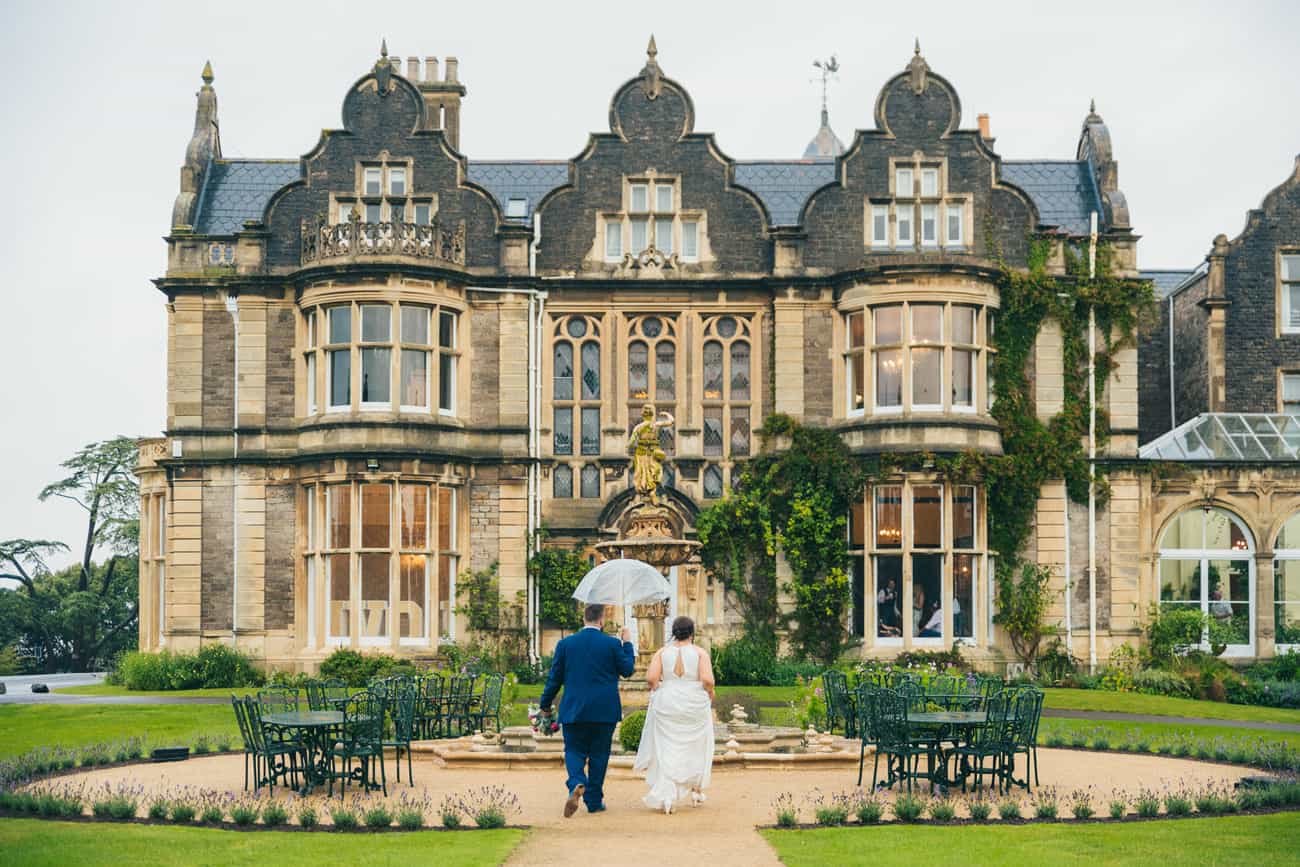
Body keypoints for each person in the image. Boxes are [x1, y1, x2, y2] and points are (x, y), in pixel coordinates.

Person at [539, 603, 636, 817]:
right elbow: (628, 670)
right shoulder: (612, 644)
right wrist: (627, 643)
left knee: (573, 751)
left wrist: (545, 704)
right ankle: (593, 801)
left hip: (574, 709)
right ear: (601, 620)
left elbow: (554, 679)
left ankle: (576, 782)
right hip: (604, 711)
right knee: (599, 756)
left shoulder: (566, 644)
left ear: (584, 619)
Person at [634, 616, 716, 814]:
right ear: (692, 632)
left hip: (668, 702)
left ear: (674, 632)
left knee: (667, 747)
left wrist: (660, 689)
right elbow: (707, 679)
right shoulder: (699, 653)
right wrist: (710, 693)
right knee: (695, 746)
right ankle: (694, 788)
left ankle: (667, 795)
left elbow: (652, 678)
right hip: (693, 702)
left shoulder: (662, 652)